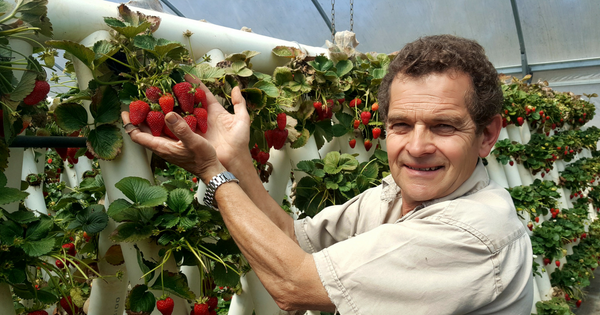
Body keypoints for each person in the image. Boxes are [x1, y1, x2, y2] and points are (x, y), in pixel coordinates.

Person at [122, 34, 533, 314]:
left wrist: (211, 172)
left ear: (487, 135)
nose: (418, 146)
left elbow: (293, 286)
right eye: (401, 125)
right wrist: (236, 160)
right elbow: (291, 240)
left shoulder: (474, 231)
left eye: (444, 126)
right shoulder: (390, 196)